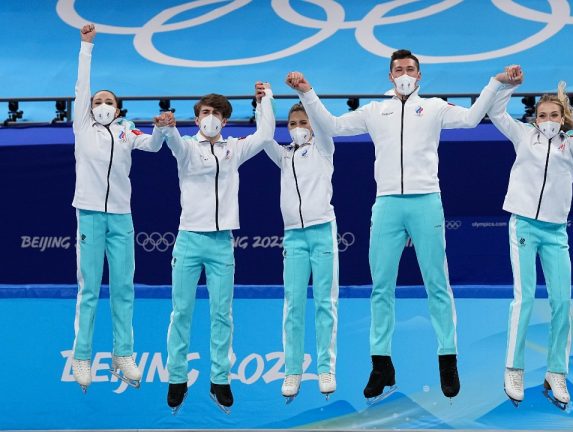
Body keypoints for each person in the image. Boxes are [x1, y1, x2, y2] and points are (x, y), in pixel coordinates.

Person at [286, 49, 508, 401]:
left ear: (419, 76)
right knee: (381, 287)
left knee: (437, 283)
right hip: (387, 204)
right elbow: (333, 126)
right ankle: (381, 364)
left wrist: (495, 84)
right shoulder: (376, 111)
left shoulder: (434, 107)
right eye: (398, 69)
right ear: (390, 77)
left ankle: (447, 360)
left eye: (410, 69)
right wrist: (306, 93)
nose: (404, 74)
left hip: (426, 202)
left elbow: (470, 119)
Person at [487, 65, 573, 409]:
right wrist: (507, 84)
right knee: (524, 298)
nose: (547, 119)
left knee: (562, 302)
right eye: (542, 114)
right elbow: (496, 112)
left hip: (556, 232)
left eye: (554, 114)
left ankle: (556, 372)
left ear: (564, 117)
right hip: (523, 225)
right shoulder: (524, 136)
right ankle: (513, 368)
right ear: (535, 119)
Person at [161, 84, 275, 414]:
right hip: (189, 239)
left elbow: (266, 133)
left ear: (225, 121)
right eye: (205, 113)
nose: (210, 119)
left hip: (222, 242)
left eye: (216, 114)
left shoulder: (234, 149)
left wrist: (264, 99)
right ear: (196, 120)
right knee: (181, 311)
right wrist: (167, 126)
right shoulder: (185, 147)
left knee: (221, 314)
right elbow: (170, 140)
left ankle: (220, 379)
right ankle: (177, 377)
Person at [70, 23, 166, 393]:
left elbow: (155, 147)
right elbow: (81, 86)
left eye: (109, 101)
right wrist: (86, 46)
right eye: (98, 101)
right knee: (90, 288)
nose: (102, 105)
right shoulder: (83, 126)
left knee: (124, 287)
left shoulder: (127, 132)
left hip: (122, 217)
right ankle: (82, 355)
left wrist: (161, 129)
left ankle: (122, 354)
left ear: (119, 109)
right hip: (90, 215)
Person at [262, 102, 339, 402]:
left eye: (303, 121)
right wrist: (263, 102)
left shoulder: (324, 149)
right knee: (293, 305)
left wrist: (304, 97)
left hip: (322, 231)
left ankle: (325, 368)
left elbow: (322, 122)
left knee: (325, 303)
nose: (297, 127)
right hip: (293, 235)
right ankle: (292, 370)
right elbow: (264, 135)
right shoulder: (284, 155)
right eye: (292, 122)